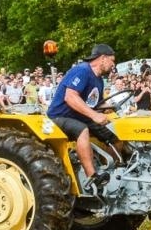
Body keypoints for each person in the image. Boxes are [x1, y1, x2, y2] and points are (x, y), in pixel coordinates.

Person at [47, 43, 120, 191]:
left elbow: (90, 104)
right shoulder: (82, 70)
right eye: (112, 60)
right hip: (59, 117)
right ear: (103, 58)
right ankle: (92, 177)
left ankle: (116, 171)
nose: (113, 64)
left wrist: (105, 110)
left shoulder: (99, 80)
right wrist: (94, 115)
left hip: (80, 116)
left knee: (116, 136)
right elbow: (70, 97)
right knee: (82, 130)